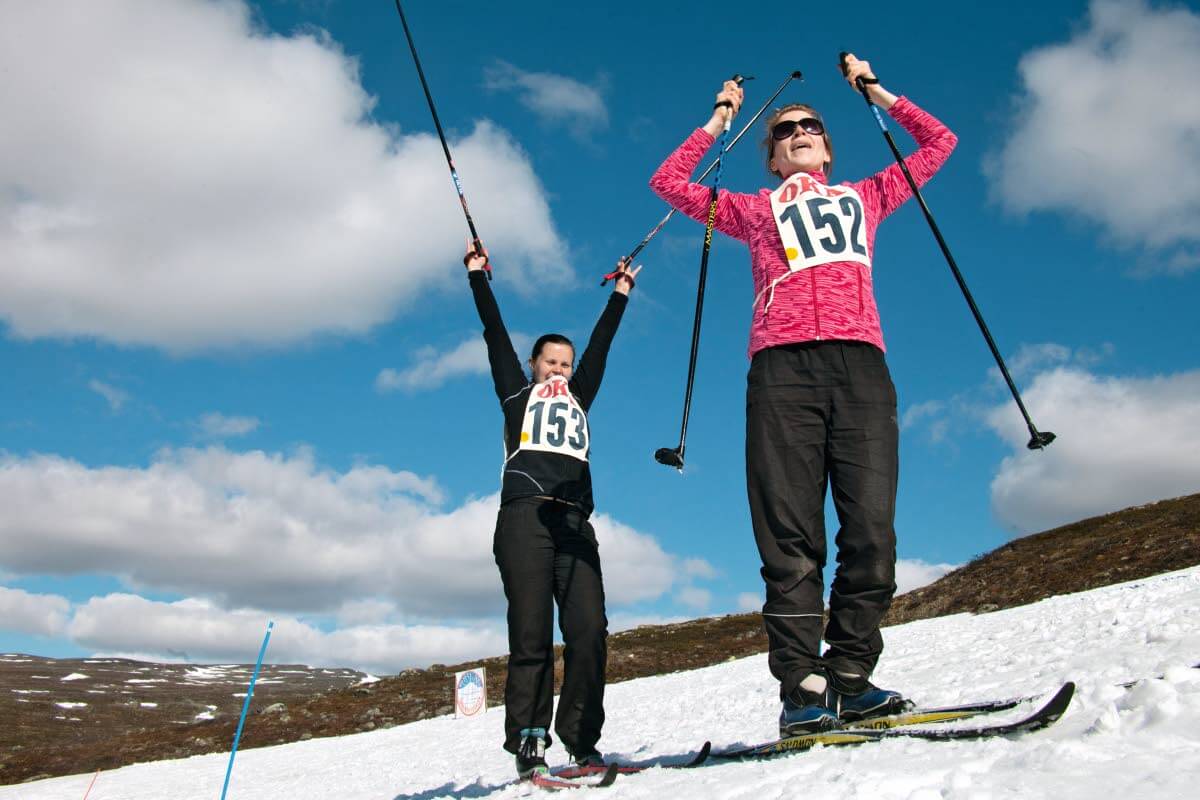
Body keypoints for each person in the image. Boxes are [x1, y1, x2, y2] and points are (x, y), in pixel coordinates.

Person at [649, 54, 957, 735]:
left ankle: (850, 675)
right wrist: (719, 118)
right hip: (781, 371)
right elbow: (668, 181)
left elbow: (940, 143)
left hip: (861, 368)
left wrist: (875, 88)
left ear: (827, 143)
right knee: (791, 538)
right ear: (773, 154)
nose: (800, 131)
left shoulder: (867, 197)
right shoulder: (753, 212)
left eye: (811, 124)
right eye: (787, 129)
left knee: (872, 533)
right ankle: (802, 689)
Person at [464, 241, 640, 777]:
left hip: (574, 524)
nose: (561, 369)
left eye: (566, 362)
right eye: (552, 362)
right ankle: (529, 742)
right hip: (524, 519)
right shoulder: (517, 397)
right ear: (534, 366)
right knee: (532, 631)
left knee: (589, 630)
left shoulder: (580, 398)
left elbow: (601, 349)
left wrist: (621, 295)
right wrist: (478, 278)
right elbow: (494, 335)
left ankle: (582, 743)